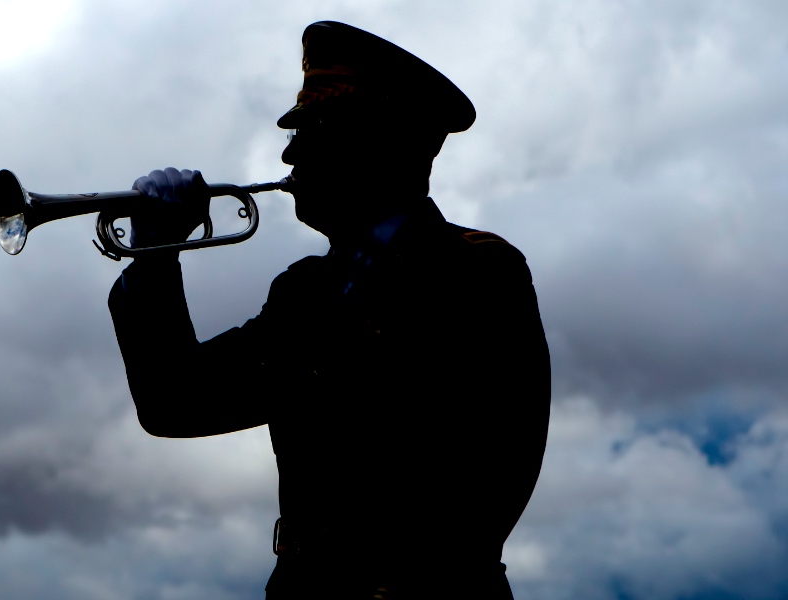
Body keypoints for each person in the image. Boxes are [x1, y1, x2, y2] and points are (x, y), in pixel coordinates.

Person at [107, 21, 551, 599]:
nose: (290, 154)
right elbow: (175, 404)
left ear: (377, 142)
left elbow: (485, 478)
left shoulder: (477, 271)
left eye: (313, 129)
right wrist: (155, 259)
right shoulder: (303, 291)